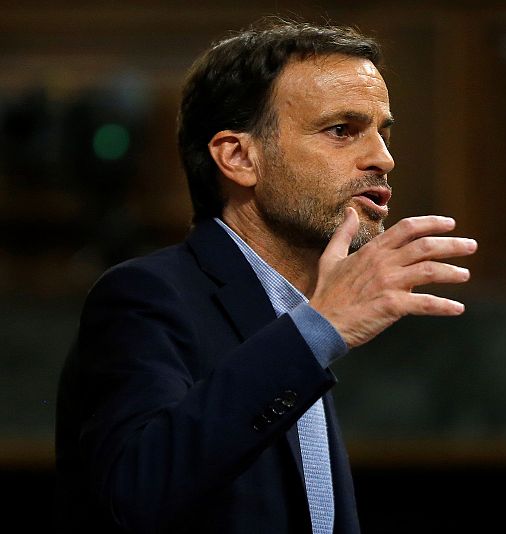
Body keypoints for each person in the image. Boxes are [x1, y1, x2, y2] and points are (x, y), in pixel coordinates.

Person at [55, 19, 477, 534]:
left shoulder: (296, 312)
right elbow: (137, 494)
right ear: (238, 157)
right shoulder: (146, 297)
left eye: (382, 133)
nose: (382, 159)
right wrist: (319, 328)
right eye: (342, 131)